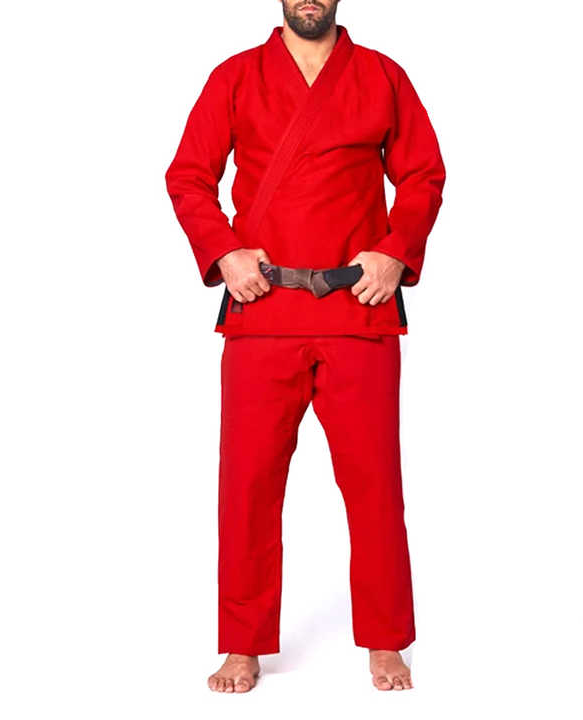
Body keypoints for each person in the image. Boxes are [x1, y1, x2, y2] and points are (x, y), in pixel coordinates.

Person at [164, 0, 445, 693]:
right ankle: (243, 643)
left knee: (375, 485)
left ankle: (386, 639)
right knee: (248, 486)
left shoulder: (381, 76)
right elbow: (188, 176)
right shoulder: (235, 77)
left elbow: (423, 175)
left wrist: (395, 251)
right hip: (262, 310)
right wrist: (225, 253)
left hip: (359, 309)